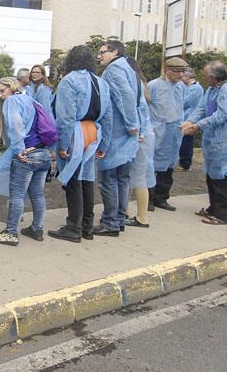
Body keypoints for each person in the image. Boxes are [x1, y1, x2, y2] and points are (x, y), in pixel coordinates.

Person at [0, 77, 53, 246]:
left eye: (2, 90)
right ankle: (37, 228)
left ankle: (11, 232)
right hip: (42, 153)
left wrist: (19, 149)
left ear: (11, 87)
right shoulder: (31, 99)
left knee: (17, 195)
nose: (0, 94)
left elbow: (15, 125)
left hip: (26, 155)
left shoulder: (12, 101)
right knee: (37, 194)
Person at [48, 46, 112, 242]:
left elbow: (65, 117)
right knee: (87, 179)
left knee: (73, 179)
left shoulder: (69, 80)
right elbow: (108, 116)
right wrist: (104, 144)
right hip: (94, 132)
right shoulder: (101, 82)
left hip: (76, 133)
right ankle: (87, 226)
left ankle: (73, 227)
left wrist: (63, 145)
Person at [181, 61, 227, 225]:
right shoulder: (212, 89)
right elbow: (201, 108)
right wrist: (189, 120)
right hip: (212, 138)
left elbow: (222, 114)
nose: (204, 78)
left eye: (206, 75)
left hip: (224, 139)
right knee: (212, 174)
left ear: (213, 76)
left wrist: (198, 126)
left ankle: (222, 214)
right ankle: (213, 207)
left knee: (221, 176)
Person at [95, 40, 140, 237]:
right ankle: (119, 218)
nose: (99, 56)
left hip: (116, 132)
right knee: (122, 178)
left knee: (108, 179)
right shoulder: (128, 67)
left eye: (102, 52)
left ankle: (110, 222)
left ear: (114, 52)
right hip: (126, 134)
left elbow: (126, 97)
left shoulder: (114, 70)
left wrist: (132, 124)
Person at [148, 58, 187, 212]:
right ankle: (149, 198)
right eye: (178, 71)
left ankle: (161, 197)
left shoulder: (181, 87)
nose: (181, 75)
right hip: (158, 128)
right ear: (168, 70)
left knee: (169, 164)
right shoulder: (154, 85)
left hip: (175, 129)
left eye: (183, 71)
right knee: (152, 165)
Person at [124, 57, 154, 228]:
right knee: (131, 175)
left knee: (138, 176)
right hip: (145, 133)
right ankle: (126, 211)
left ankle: (142, 217)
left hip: (141, 135)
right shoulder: (142, 84)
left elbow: (139, 112)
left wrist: (140, 131)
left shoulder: (135, 86)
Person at [178, 68, 203, 170]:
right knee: (182, 141)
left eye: (183, 74)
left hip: (190, 118)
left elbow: (184, 102)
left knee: (186, 142)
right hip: (184, 117)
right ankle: (181, 161)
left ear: (188, 76)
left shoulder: (196, 88)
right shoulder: (186, 87)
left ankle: (185, 164)